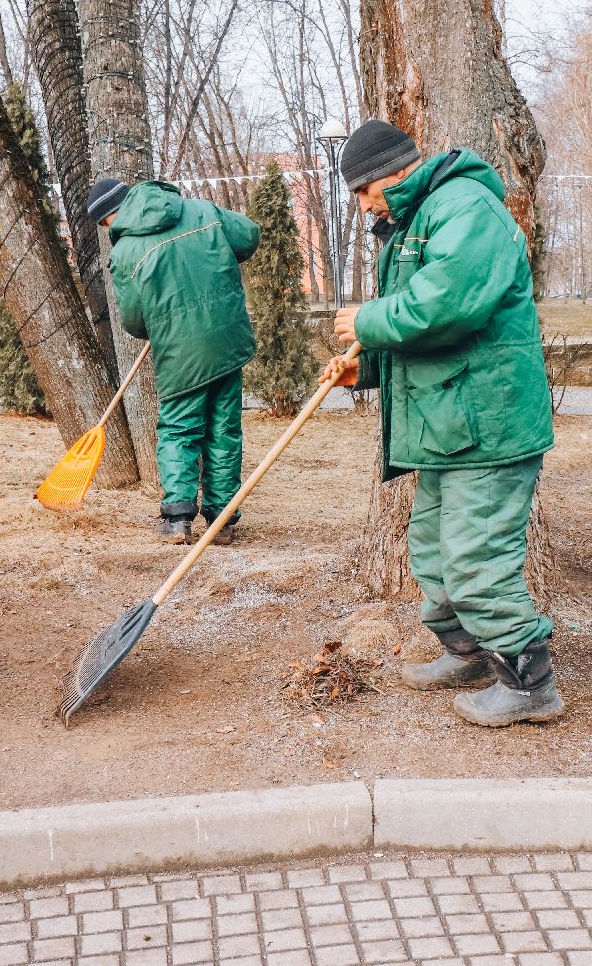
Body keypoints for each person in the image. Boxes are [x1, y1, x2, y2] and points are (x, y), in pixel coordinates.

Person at [320, 120, 562, 727]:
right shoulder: (415, 220)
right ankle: (472, 653)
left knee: (477, 553)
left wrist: (368, 321)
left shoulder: (464, 206)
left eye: (361, 190)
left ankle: (529, 683)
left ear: (387, 173)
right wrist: (365, 370)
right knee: (432, 551)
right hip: (450, 425)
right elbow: (425, 332)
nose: (362, 204)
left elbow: (449, 304)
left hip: (489, 424)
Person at [88, 176, 260, 544]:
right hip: (228, 339)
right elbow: (248, 236)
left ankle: (177, 518)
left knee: (179, 428)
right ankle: (222, 520)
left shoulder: (125, 251)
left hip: (180, 351)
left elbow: (133, 320)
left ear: (109, 218)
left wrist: (160, 317)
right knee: (224, 429)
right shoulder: (201, 210)